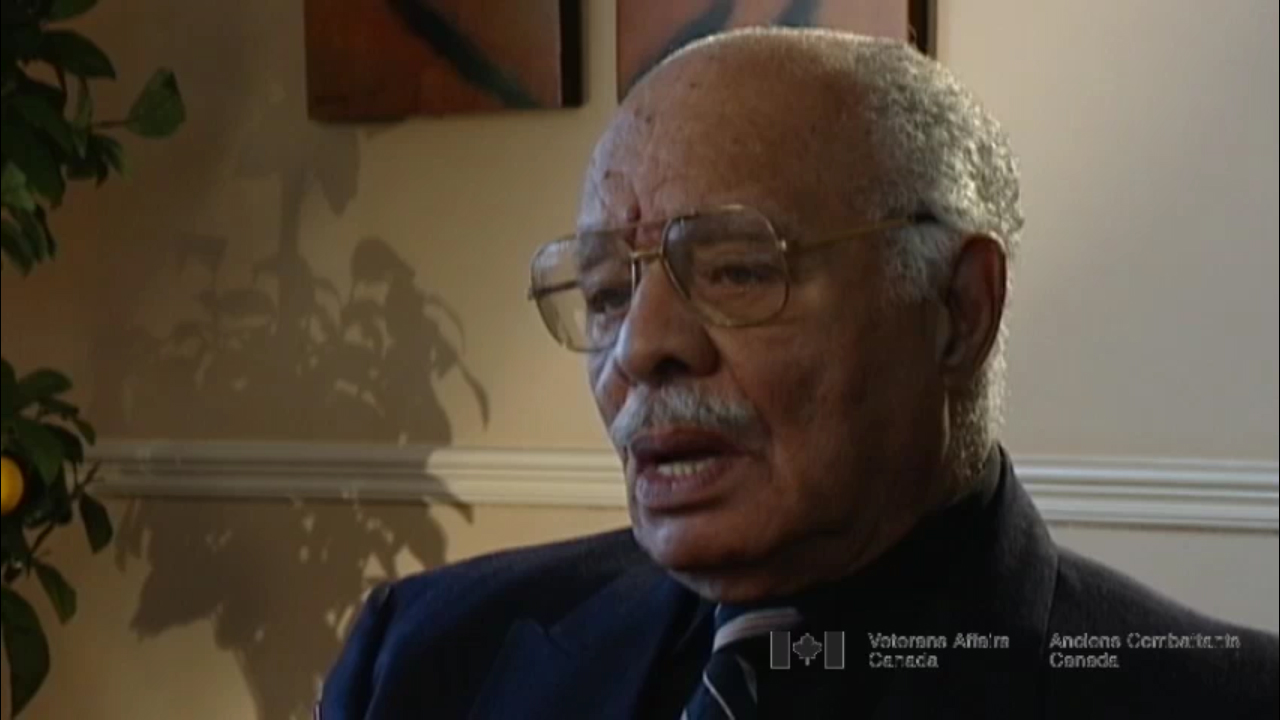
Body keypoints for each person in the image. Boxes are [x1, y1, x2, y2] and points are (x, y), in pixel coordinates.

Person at [318, 28, 1277, 719]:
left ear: (960, 310)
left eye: (737, 270)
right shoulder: (429, 655)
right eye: (607, 291)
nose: (641, 347)